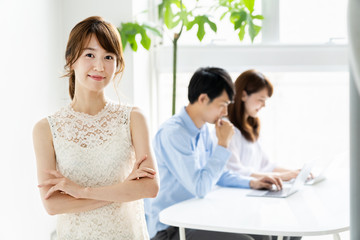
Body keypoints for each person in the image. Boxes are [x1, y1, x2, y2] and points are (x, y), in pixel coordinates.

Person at [33, 16, 159, 239]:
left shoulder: (133, 119)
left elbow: (149, 188)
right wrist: (123, 189)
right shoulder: (46, 129)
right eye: (90, 54)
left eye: (108, 57)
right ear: (71, 59)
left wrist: (82, 192)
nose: (100, 66)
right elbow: (52, 205)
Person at [145, 67, 282, 240]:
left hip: (197, 217)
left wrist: (251, 182)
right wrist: (223, 144)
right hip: (170, 229)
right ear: (203, 99)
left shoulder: (202, 129)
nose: (225, 112)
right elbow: (200, 187)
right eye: (222, 105)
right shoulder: (173, 133)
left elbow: (219, 174)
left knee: (267, 235)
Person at [227, 69, 302, 240]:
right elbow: (235, 170)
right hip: (238, 201)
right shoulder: (227, 128)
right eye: (260, 100)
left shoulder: (251, 126)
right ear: (244, 95)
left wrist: (293, 173)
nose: (264, 105)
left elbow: (266, 165)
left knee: (293, 232)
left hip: (254, 200)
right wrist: (280, 176)